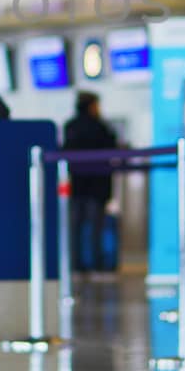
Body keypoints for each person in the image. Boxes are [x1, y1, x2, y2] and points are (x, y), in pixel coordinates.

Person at [62, 92, 119, 274]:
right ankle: (96, 265)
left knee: (75, 229)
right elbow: (112, 149)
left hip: (77, 186)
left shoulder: (70, 127)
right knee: (95, 229)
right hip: (96, 186)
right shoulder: (101, 127)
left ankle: (75, 265)